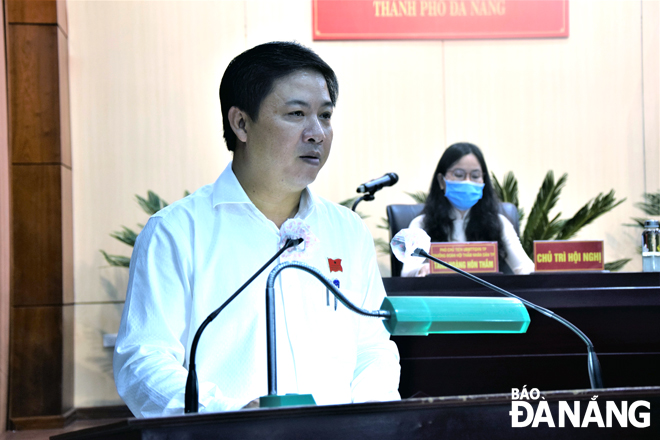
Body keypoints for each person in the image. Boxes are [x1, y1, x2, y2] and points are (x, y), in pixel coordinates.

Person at [113, 42, 401, 418]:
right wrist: (226, 415)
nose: (317, 132)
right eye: (296, 113)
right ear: (241, 123)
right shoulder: (177, 232)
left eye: (326, 116)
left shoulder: (347, 231)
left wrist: (365, 420)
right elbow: (144, 361)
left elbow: (372, 349)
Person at [402, 142, 534, 277]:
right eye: (459, 174)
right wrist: (421, 269)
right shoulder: (421, 225)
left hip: (486, 296)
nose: (467, 181)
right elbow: (406, 273)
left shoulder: (499, 223)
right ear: (441, 181)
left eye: (475, 176)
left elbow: (525, 268)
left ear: (483, 181)